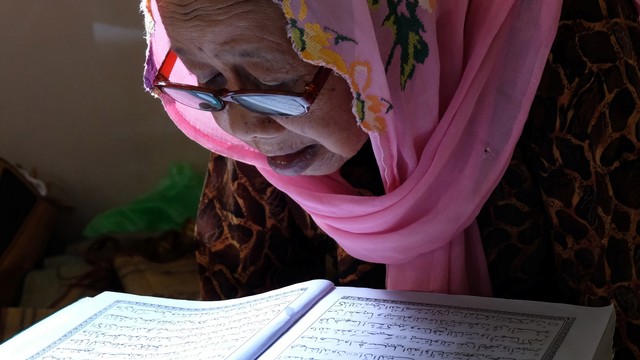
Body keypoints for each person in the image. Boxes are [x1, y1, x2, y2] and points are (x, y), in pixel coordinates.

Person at [142, 0, 640, 357]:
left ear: (382, 38)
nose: (240, 126)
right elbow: (236, 319)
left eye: (276, 81)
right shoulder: (243, 105)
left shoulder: (576, 55)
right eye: (202, 79)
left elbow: (624, 325)